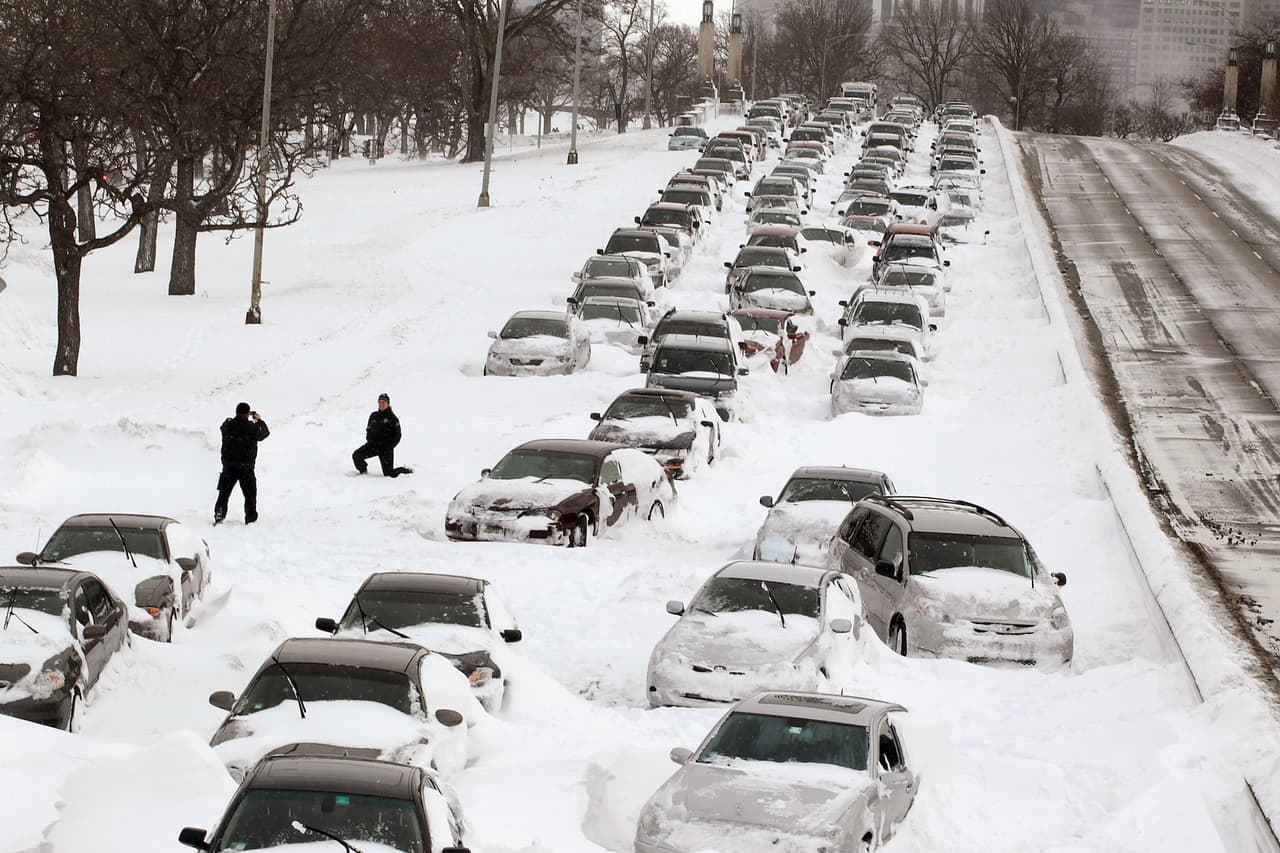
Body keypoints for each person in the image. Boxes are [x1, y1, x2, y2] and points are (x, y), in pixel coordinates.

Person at [215, 402, 270, 525]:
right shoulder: (252, 428)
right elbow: (265, 433)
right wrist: (259, 420)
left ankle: (219, 514)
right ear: (247, 413)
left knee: (224, 493)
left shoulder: (228, 426)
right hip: (246, 467)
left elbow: (223, 426)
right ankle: (250, 518)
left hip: (229, 466)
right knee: (250, 495)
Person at [353, 393, 413, 477]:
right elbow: (368, 430)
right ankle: (363, 472)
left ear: (388, 404)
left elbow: (397, 436)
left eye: (384, 402)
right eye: (380, 402)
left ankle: (404, 470)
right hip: (373, 446)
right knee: (356, 456)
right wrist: (370, 440)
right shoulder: (373, 415)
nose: (381, 404)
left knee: (389, 474)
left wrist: (388, 447)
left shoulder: (393, 418)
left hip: (385, 449)